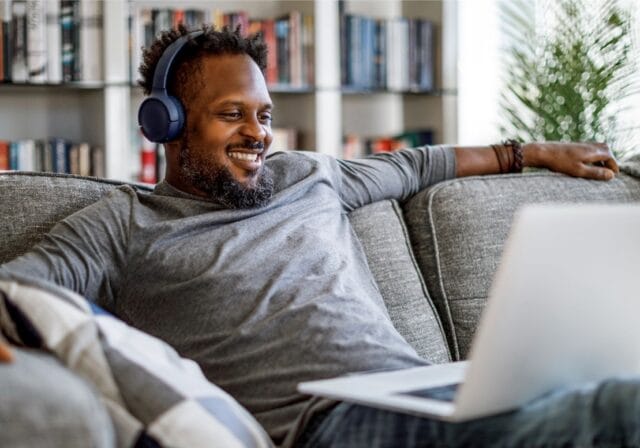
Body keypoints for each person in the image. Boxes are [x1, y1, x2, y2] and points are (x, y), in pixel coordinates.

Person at [0, 25, 634, 448]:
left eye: (264, 115)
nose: (258, 133)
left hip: (427, 390)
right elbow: (23, 285)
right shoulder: (123, 223)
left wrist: (532, 152)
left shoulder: (308, 175)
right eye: (231, 115)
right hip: (328, 426)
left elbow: (418, 165)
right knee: (616, 412)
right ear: (166, 124)